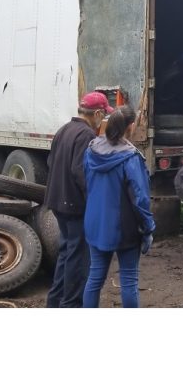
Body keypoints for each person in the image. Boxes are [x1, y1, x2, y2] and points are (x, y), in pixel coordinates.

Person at [44, 91, 113, 308]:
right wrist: (95, 203)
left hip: (56, 201)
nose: (102, 120)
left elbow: (50, 162)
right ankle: (71, 304)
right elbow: (81, 172)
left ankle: (54, 302)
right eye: (103, 116)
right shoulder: (86, 136)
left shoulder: (63, 130)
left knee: (67, 252)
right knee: (78, 257)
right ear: (98, 113)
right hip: (74, 205)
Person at [82, 106, 156, 308]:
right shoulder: (131, 158)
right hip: (123, 229)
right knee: (129, 280)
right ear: (131, 127)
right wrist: (148, 227)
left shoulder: (91, 150)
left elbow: (86, 182)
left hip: (95, 223)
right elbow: (140, 199)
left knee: (95, 277)